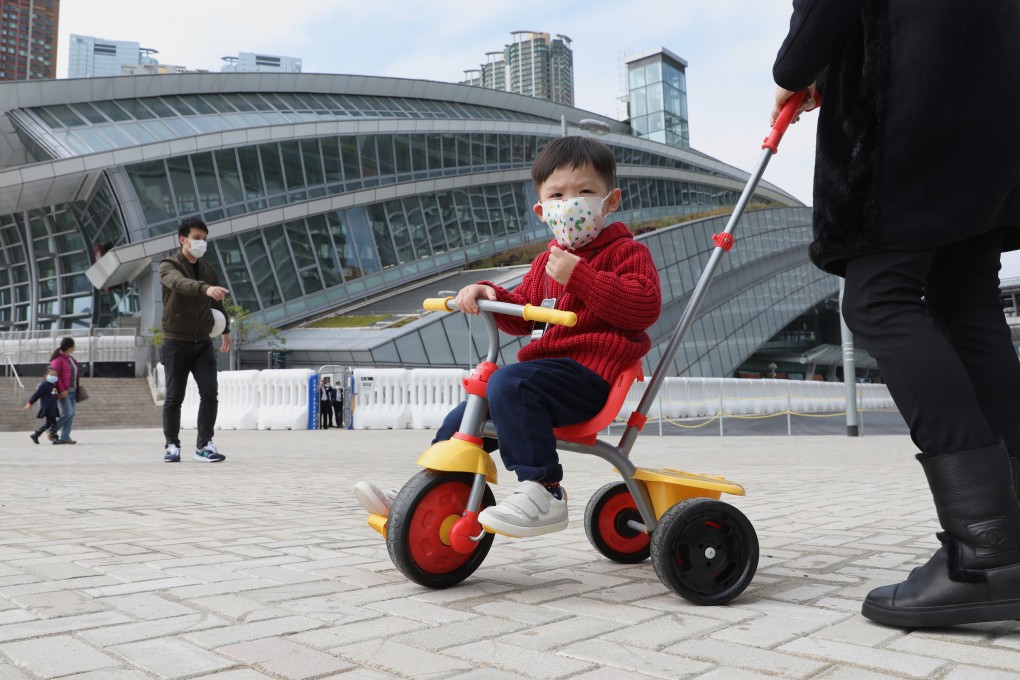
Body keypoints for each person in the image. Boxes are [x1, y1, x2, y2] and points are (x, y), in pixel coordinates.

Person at [772, 1, 1020, 627]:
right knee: (969, 306)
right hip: (992, 97)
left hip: (910, 104)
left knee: (877, 299)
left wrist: (795, 69)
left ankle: (986, 551)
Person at [354, 136, 662, 537]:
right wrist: (489, 294)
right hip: (546, 379)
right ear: (541, 209)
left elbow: (643, 307)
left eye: (585, 191)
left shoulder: (625, 253)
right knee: (469, 412)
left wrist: (581, 278)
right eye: (557, 195)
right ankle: (429, 490)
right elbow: (521, 313)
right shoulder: (545, 263)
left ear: (611, 200)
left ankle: (544, 490)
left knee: (508, 383)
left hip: (591, 378)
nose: (571, 204)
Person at [159, 217, 231, 463]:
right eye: (197, 238)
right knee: (174, 397)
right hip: (175, 342)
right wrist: (205, 289)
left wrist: (226, 328)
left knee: (210, 393)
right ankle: (172, 445)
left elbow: (217, 301)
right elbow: (180, 284)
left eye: (205, 239)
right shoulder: (168, 266)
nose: (202, 243)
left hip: (202, 343)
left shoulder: (208, 269)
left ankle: (204, 445)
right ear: (183, 240)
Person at [49, 337, 80, 445]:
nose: (74, 347)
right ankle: (52, 431)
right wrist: (62, 390)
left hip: (73, 390)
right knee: (68, 413)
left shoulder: (70, 359)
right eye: (73, 345)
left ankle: (65, 437)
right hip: (64, 392)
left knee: (71, 414)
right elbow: (54, 376)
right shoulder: (57, 360)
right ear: (69, 347)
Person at [23, 368, 60, 444]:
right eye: (52, 375)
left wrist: (57, 394)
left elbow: (54, 395)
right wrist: (29, 403)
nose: (54, 376)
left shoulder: (53, 385)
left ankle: (35, 435)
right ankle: (54, 438)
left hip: (52, 407)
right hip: (47, 407)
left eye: (55, 375)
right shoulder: (44, 385)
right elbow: (36, 395)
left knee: (48, 424)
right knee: (53, 422)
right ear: (45, 376)